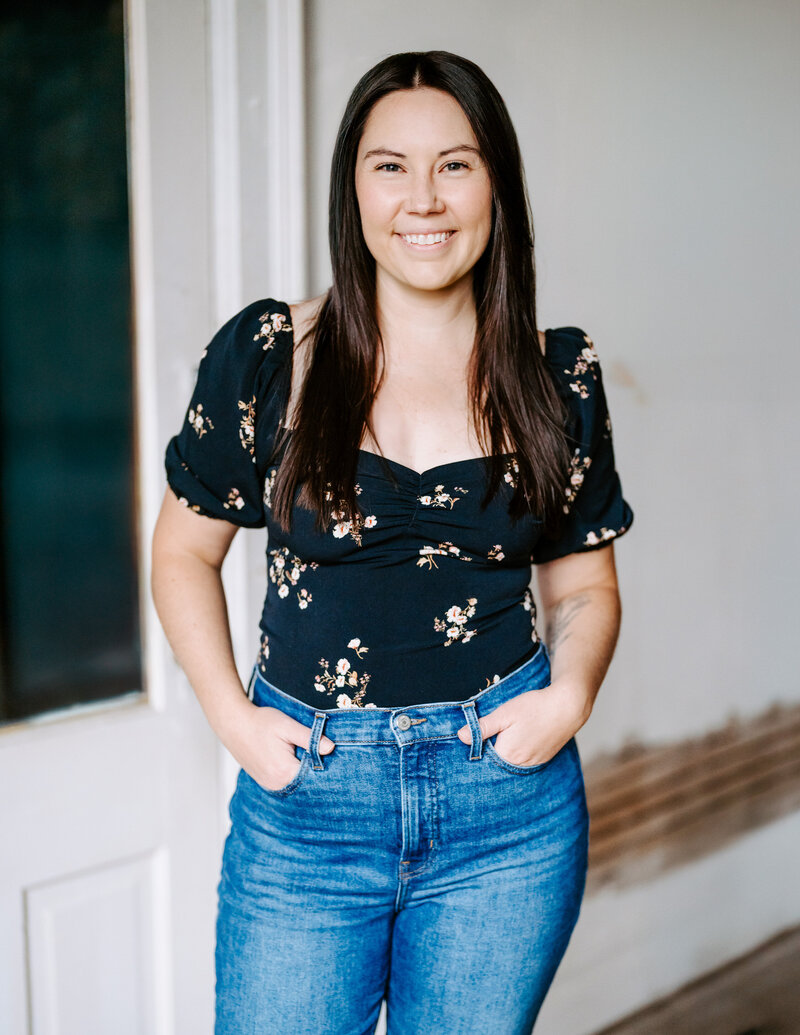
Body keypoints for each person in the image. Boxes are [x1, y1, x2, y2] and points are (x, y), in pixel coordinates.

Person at [152, 49, 633, 1035]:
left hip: (507, 810)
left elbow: (584, 586)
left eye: (454, 164)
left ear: (495, 182)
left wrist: (569, 697)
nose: (423, 198)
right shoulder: (270, 357)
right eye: (390, 166)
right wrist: (231, 722)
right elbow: (181, 555)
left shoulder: (557, 376)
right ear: (352, 188)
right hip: (309, 808)